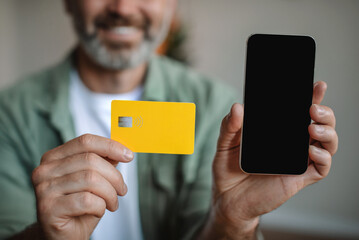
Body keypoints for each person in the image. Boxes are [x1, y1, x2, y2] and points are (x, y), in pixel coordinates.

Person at [0, 0, 338, 239]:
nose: (123, 7)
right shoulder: (9, 113)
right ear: (69, 2)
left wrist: (232, 220)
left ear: (172, 6)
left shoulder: (213, 106)